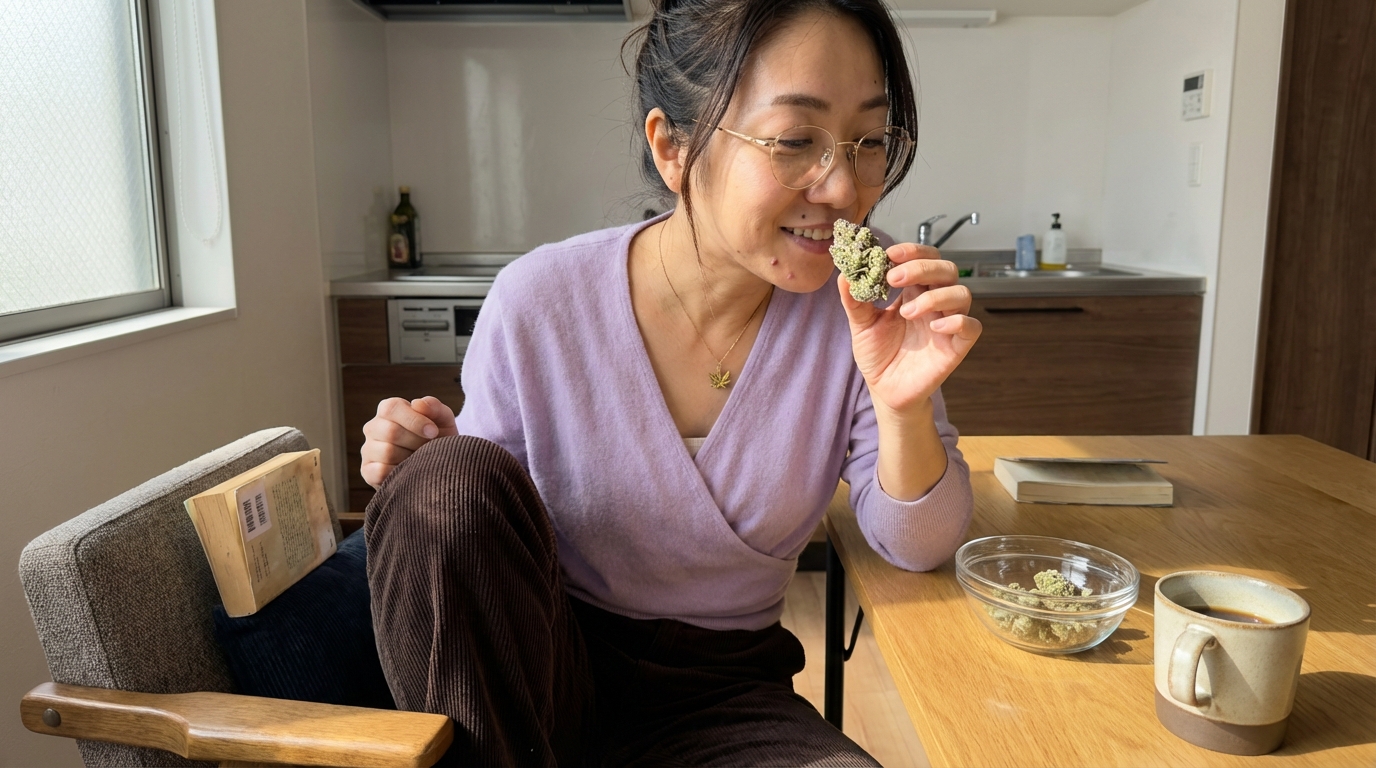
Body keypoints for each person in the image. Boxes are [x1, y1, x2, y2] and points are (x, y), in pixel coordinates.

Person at [359, 0, 982, 764]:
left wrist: (904, 407)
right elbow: (480, 551)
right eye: (795, 140)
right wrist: (424, 461)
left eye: (868, 141)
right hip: (542, 676)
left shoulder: (865, 300)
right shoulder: (540, 301)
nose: (843, 189)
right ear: (674, 149)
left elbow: (918, 544)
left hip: (727, 697)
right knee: (444, 480)